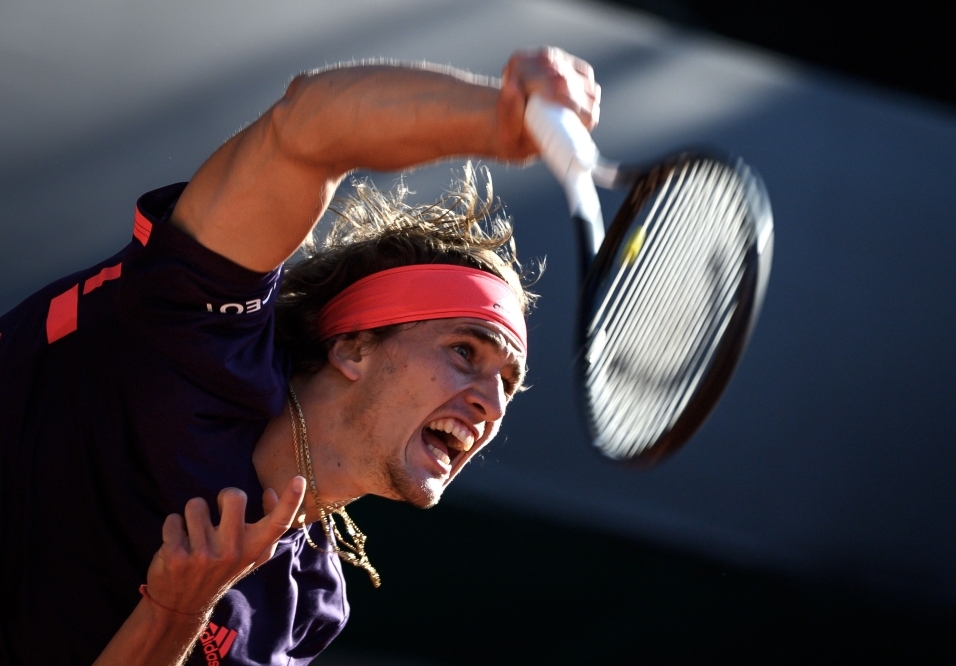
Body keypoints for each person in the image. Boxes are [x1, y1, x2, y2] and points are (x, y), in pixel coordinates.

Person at [0, 48, 600, 665]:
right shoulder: (195, 330)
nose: (491, 401)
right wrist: (496, 119)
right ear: (352, 346)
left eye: (507, 382)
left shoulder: (306, 607)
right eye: (463, 350)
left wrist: (177, 613)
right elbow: (307, 130)